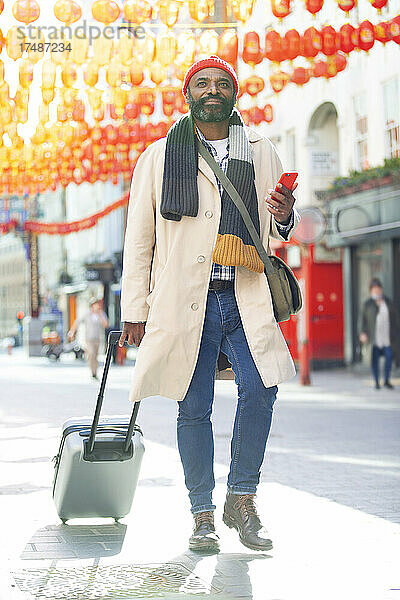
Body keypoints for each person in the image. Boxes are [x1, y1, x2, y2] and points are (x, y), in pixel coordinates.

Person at [119, 56, 300, 553]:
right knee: (193, 406)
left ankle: (241, 497)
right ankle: (201, 512)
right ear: (188, 93)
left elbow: (278, 226)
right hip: (184, 298)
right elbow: (139, 238)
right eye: (203, 83)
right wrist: (134, 306)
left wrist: (285, 216)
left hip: (245, 292)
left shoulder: (261, 151)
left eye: (222, 83)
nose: (213, 89)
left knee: (262, 390)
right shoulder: (158, 157)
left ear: (234, 93)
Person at [360, 278, 399, 390]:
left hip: (387, 337)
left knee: (389, 357)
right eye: (375, 289)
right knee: (375, 360)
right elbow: (362, 321)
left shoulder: (387, 301)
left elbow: (395, 318)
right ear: (371, 290)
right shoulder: (367, 304)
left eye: (378, 289)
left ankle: (386, 380)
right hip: (374, 338)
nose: (377, 291)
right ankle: (376, 381)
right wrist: (362, 333)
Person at [68, 298, 109, 379]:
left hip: (97, 339)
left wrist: (100, 314)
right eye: (95, 304)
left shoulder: (101, 314)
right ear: (92, 306)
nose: (97, 306)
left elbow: (106, 325)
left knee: (95, 356)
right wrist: (72, 331)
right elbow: (77, 322)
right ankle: (92, 371)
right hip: (89, 339)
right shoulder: (87, 314)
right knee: (91, 354)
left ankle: (95, 372)